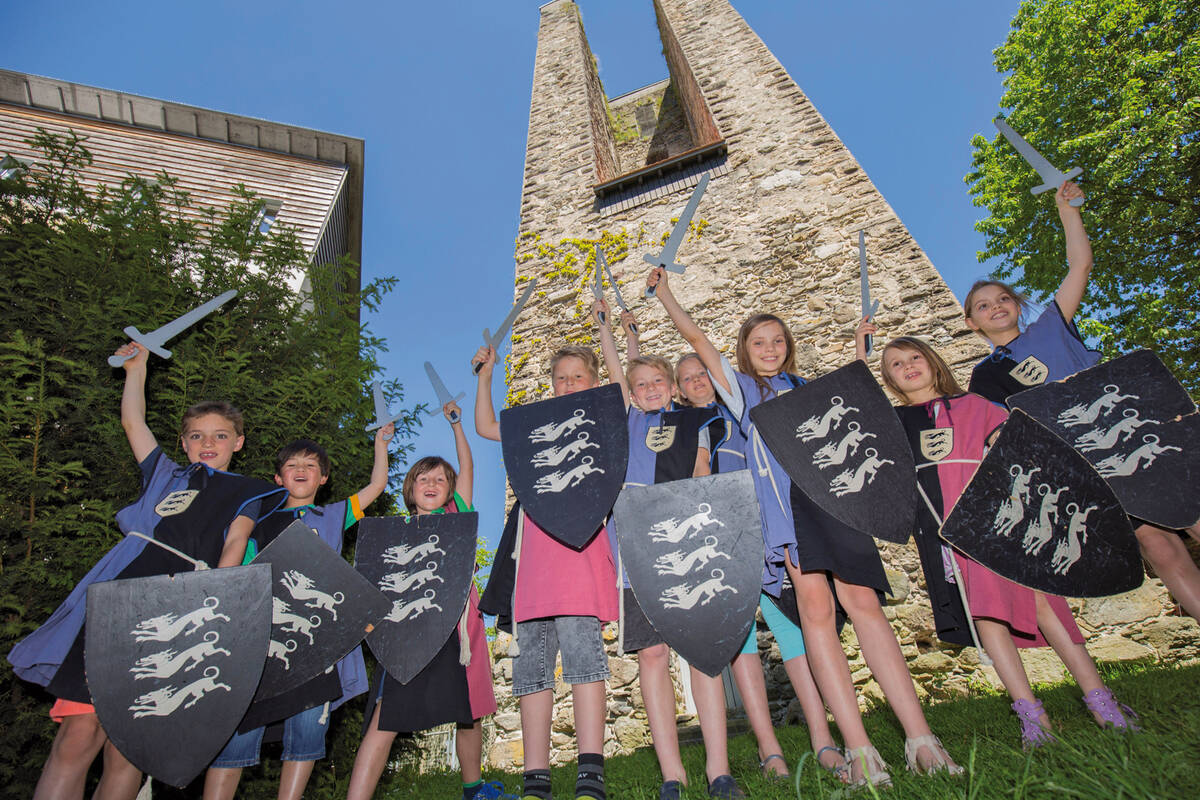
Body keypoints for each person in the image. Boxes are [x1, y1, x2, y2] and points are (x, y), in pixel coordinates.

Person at [649, 268, 960, 788]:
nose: (769, 349)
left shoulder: (806, 387)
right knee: (815, 613)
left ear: (788, 346)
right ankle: (858, 749)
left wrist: (859, 355)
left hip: (836, 501)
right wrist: (666, 295)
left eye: (777, 340)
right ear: (744, 351)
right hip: (789, 511)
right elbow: (699, 341)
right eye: (758, 342)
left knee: (864, 605)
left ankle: (921, 740)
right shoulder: (741, 391)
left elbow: (846, 414)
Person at [9, 341, 286, 800]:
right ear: (184, 442)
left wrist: (214, 603)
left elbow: (235, 543)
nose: (208, 444)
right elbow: (133, 423)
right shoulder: (166, 476)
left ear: (238, 442)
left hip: (176, 612)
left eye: (220, 436)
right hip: (117, 601)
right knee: (78, 733)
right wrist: (136, 370)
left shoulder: (250, 491)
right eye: (196, 435)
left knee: (130, 750)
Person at [860, 325, 1139, 744]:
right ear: (890, 379)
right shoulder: (895, 423)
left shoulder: (975, 405)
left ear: (932, 362)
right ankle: (1032, 717)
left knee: (1044, 602)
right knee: (987, 614)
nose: (908, 367)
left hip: (1002, 517)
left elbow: (1015, 446)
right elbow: (861, 413)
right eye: (896, 365)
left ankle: (1101, 701)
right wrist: (861, 352)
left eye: (915, 357)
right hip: (951, 529)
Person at [964, 180, 1200, 621]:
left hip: (1133, 433)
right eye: (982, 305)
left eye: (1002, 298)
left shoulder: (1053, 326)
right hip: (1091, 464)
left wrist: (1068, 212)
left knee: (1194, 513)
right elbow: (1003, 434)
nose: (995, 306)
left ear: (1017, 304)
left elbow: (1080, 265)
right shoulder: (985, 377)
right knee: (1158, 546)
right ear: (972, 323)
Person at [674, 352, 849, 783]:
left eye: (702, 373)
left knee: (792, 630)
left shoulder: (744, 408)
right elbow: (695, 470)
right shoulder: (685, 426)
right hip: (722, 533)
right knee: (742, 642)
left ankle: (823, 738)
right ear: (678, 389)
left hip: (768, 526)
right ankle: (769, 748)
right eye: (687, 378)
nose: (697, 381)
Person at [595, 300, 744, 800]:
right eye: (640, 385)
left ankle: (719, 770)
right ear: (632, 394)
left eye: (658, 380)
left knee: (702, 652)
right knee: (653, 654)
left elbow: (702, 473)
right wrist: (610, 331)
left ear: (672, 386)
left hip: (688, 539)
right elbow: (616, 372)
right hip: (637, 551)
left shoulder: (695, 420)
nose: (650, 388)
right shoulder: (626, 422)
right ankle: (671, 773)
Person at [205, 425, 394, 800]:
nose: (301, 470)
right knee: (237, 738)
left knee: (307, 734)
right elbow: (238, 573)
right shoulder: (256, 519)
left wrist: (380, 444)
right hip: (262, 644)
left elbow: (376, 487)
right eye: (292, 465)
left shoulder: (335, 515)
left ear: (323, 478)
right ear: (278, 478)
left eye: (310, 465)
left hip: (317, 645)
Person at [345, 401, 514, 800]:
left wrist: (457, 426)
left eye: (440, 479)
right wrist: (382, 445)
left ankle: (473, 790)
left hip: (459, 628)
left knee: (469, 711)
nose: (432, 483)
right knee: (386, 715)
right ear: (411, 488)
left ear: (450, 490)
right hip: (406, 632)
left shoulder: (457, 518)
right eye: (424, 478)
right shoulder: (393, 535)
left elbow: (467, 468)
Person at [474, 342, 618, 800]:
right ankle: (535, 780)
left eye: (579, 376)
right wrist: (486, 374)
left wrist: (609, 336)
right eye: (561, 377)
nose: (569, 383)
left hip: (579, 554)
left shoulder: (603, 419)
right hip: (532, 559)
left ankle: (590, 775)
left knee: (584, 659)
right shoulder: (534, 422)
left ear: (594, 382)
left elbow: (623, 395)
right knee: (532, 668)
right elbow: (486, 427)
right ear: (551, 383)